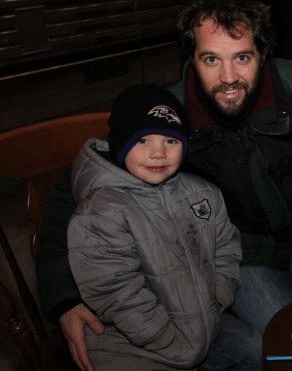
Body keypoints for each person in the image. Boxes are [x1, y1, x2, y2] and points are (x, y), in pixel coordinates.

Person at [37, 0, 292, 370]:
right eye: (211, 60)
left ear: (263, 54)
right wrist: (65, 298)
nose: (228, 77)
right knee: (288, 344)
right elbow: (83, 184)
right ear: (191, 59)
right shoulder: (168, 114)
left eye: (242, 57)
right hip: (246, 253)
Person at [65, 84, 255, 370]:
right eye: (143, 141)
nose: (158, 153)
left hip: (203, 322)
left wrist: (218, 298)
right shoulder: (101, 213)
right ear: (120, 144)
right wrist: (163, 338)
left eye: (171, 141)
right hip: (133, 345)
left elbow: (227, 247)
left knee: (256, 348)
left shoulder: (204, 194)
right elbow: (116, 291)